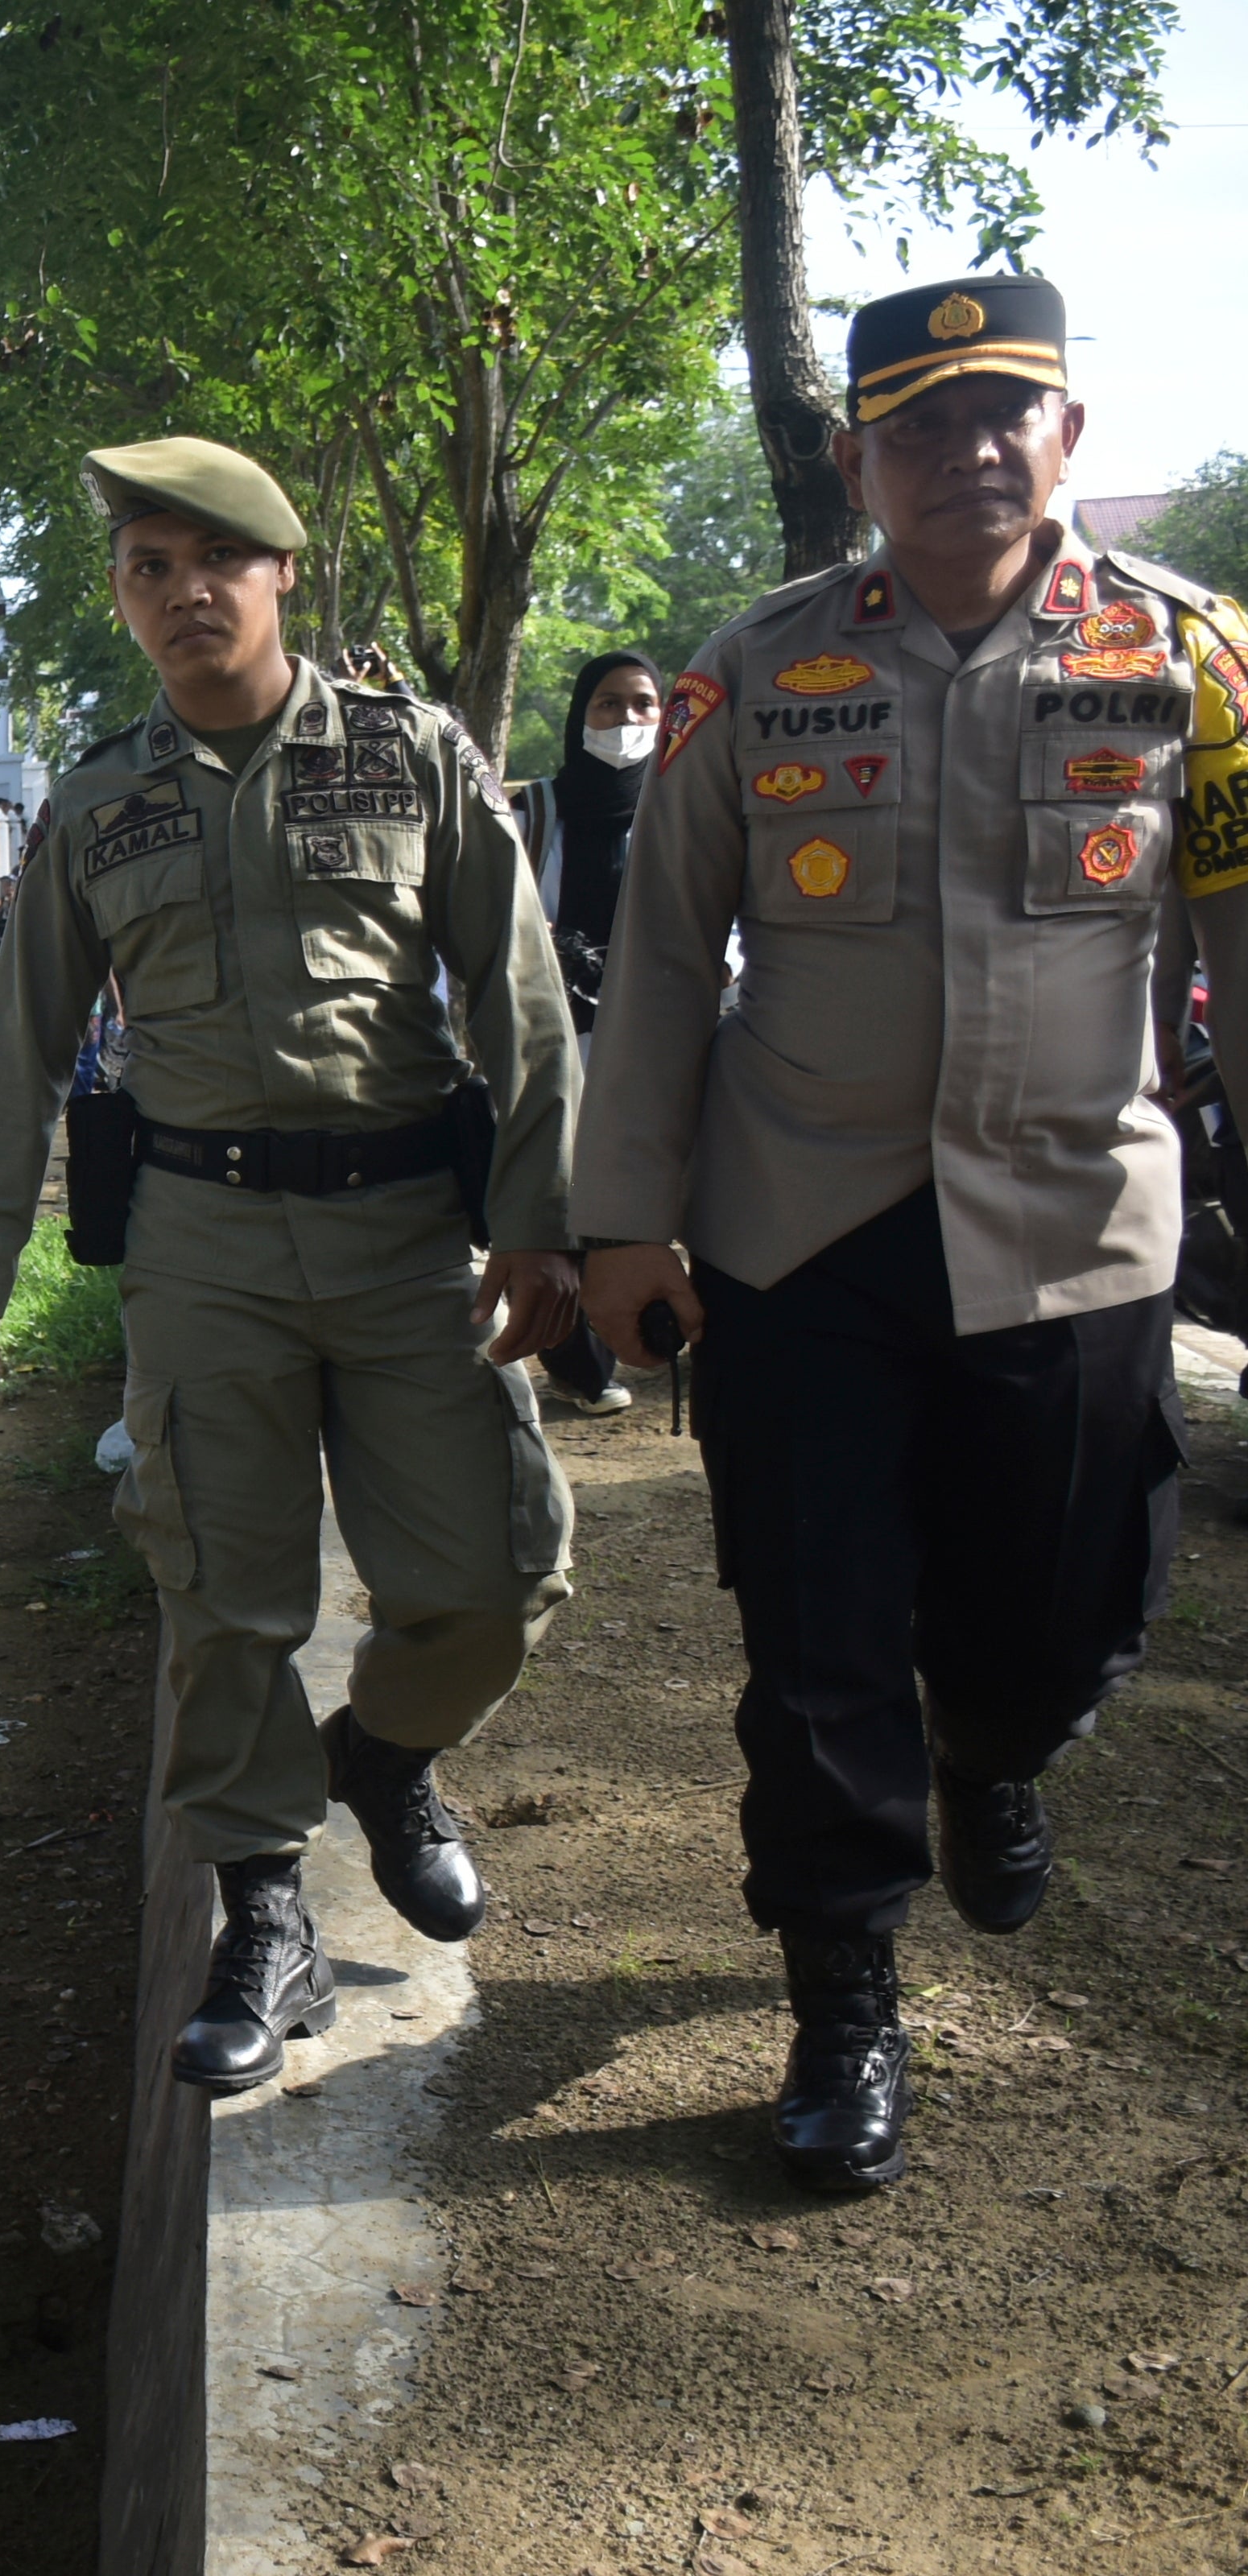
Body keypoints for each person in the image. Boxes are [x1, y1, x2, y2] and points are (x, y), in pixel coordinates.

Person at [579, 275, 1248, 2196]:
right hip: (807, 1228)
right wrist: (622, 1218)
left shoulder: (1187, 660)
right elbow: (650, 962)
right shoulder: (756, 668)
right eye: (921, 422)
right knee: (812, 1638)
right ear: (856, 457)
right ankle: (841, 1991)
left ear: (1064, 437)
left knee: (1059, 1618)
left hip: (1070, 1228)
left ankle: (995, 1747)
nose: (965, 451)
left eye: (1002, 412)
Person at [0, 436, 585, 2096]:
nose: (185, 590)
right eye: (150, 565)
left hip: (408, 1233)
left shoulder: (412, 757)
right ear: (124, 599)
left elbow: (522, 1006)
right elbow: (18, 1054)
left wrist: (545, 1220)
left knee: (493, 1584)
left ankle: (386, 1753)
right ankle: (266, 1915)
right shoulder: (96, 803)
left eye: (216, 558)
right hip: (203, 1239)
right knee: (227, 1595)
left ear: (282, 573)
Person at [509, 650, 669, 1418]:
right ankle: (579, 1360)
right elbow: (498, 903)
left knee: (663, 1183)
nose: (627, 722)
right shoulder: (535, 809)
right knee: (567, 1192)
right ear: (581, 716)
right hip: (559, 1030)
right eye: (608, 706)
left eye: (643, 706)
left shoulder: (683, 801)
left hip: (660, 1030)